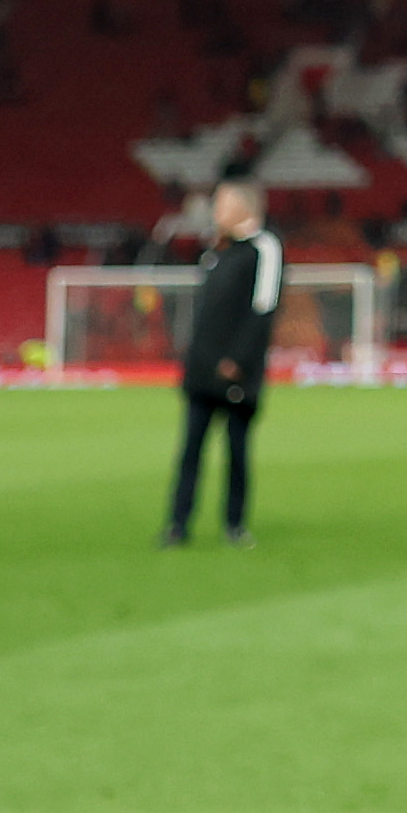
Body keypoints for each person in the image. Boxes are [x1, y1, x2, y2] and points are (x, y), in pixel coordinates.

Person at [163, 179, 280, 548]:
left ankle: (234, 524)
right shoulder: (216, 250)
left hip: (236, 372)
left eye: (222, 204)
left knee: (236, 450)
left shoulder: (264, 248)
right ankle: (177, 525)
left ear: (244, 208)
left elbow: (263, 310)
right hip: (201, 369)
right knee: (190, 450)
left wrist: (239, 360)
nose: (215, 211)